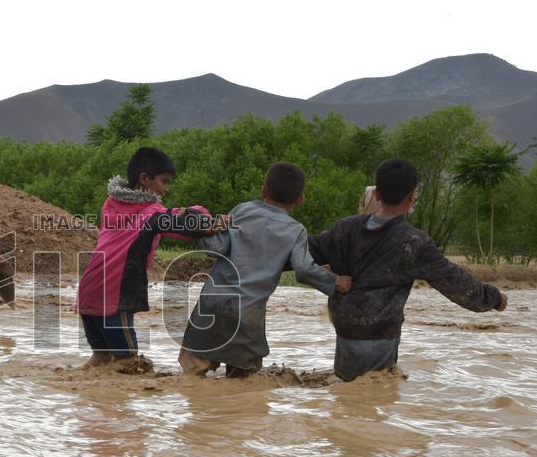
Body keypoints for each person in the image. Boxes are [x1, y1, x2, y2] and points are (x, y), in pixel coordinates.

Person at [308, 158, 508, 381]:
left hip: (344, 328)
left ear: (376, 195)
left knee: (347, 390)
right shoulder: (414, 242)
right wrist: (494, 298)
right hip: (380, 335)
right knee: (374, 397)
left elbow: (304, 253)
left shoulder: (344, 228)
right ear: (413, 195)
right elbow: (459, 286)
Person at [180, 162, 352, 377]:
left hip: (211, 303)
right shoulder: (295, 230)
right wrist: (335, 281)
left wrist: (203, 230)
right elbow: (304, 269)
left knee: (192, 375)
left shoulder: (242, 210)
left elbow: (216, 249)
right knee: (243, 382)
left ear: (263, 190)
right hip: (248, 313)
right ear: (300, 199)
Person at [76, 146, 223, 367]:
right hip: (114, 293)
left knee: (101, 358)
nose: (167, 189)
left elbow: (165, 220)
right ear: (145, 179)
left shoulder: (112, 204)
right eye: (164, 181)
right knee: (129, 364)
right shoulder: (152, 213)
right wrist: (209, 221)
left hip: (88, 291)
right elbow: (181, 224)